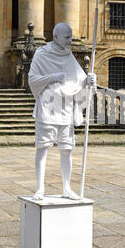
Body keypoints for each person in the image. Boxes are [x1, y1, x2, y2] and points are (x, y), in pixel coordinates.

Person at [28, 22, 96, 201]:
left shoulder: (69, 56)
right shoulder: (41, 54)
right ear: (55, 37)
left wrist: (89, 81)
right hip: (48, 108)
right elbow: (33, 80)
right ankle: (40, 189)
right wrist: (52, 77)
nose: (70, 40)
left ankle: (67, 188)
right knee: (42, 148)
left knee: (67, 149)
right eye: (67, 37)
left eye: (71, 37)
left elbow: (78, 81)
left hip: (65, 108)